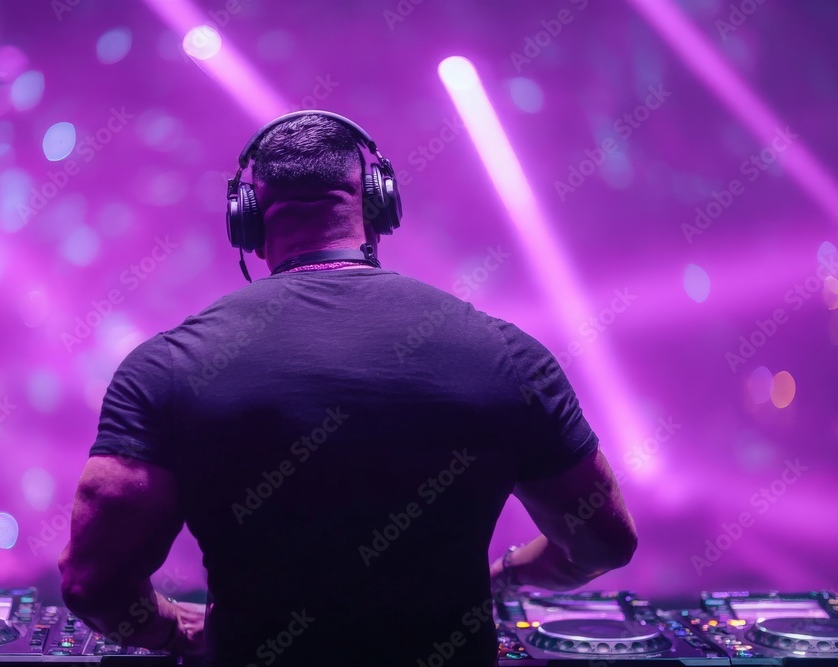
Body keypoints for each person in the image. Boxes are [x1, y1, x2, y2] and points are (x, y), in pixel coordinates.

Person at [58, 111, 637, 667]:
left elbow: (92, 582)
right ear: (380, 204)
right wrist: (506, 573)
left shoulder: (168, 366)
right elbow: (603, 542)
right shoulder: (507, 355)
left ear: (248, 219)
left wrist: (177, 629)